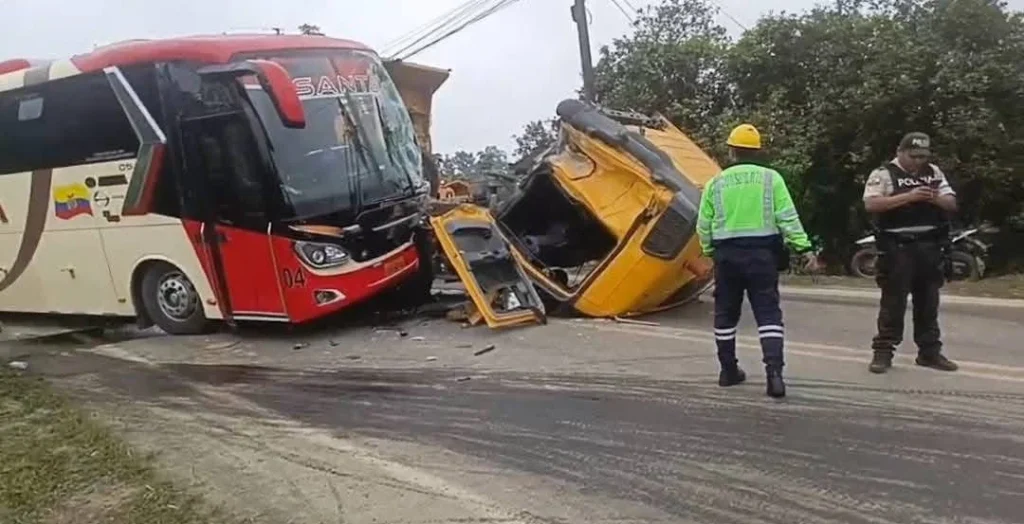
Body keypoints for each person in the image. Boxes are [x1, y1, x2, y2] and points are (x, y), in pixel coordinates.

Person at [696, 124, 820, 398]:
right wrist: (805, 249)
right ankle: (774, 375)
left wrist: (709, 251)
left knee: (725, 314)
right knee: (768, 313)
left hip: (727, 257)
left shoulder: (716, 182)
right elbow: (788, 218)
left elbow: (703, 224)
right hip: (762, 255)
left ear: (731, 151)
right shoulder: (771, 178)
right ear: (759, 150)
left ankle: (728, 371)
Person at [862, 132, 959, 374]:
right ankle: (883, 353)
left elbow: (952, 203)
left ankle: (929, 352)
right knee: (893, 301)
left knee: (928, 301)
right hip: (897, 246)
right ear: (900, 152)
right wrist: (908, 197)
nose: (919, 161)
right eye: (914, 156)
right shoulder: (883, 174)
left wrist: (934, 197)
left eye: (923, 156)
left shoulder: (933, 172)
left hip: (929, 246)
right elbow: (871, 204)